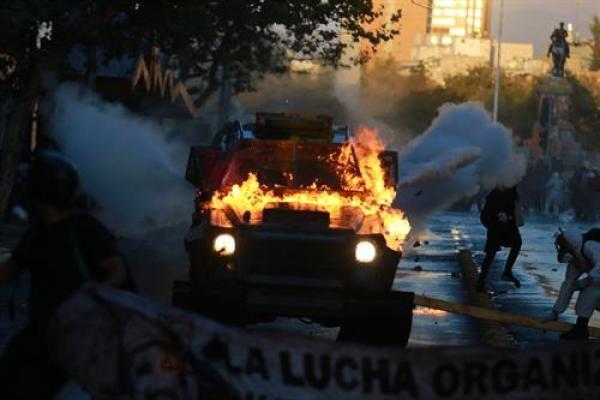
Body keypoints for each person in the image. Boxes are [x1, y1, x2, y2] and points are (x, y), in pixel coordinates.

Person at [0, 150, 132, 399]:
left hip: (82, 336)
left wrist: (89, 297)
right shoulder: (38, 233)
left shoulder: (84, 230)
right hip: (45, 334)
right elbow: (8, 271)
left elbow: (116, 269)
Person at [545, 227, 600, 340]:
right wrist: (555, 312)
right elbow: (568, 284)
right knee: (587, 295)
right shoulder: (576, 259)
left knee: (591, 292)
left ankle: (580, 330)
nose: (560, 249)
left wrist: (584, 282)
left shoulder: (589, 247)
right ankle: (581, 329)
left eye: (562, 246)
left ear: (570, 245)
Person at [477, 186, 523, 292]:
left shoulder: (509, 191)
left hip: (506, 226)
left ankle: (506, 272)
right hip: (496, 226)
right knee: (491, 253)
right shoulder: (495, 195)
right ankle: (481, 282)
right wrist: (499, 217)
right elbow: (487, 215)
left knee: (516, 244)